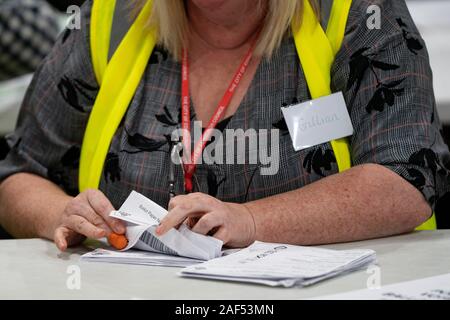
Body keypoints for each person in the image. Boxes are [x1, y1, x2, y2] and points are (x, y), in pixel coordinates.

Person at [0, 0, 449, 251]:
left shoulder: (353, 12)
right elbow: (18, 170)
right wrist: (58, 215)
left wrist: (250, 220)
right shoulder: (112, 17)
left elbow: (407, 176)